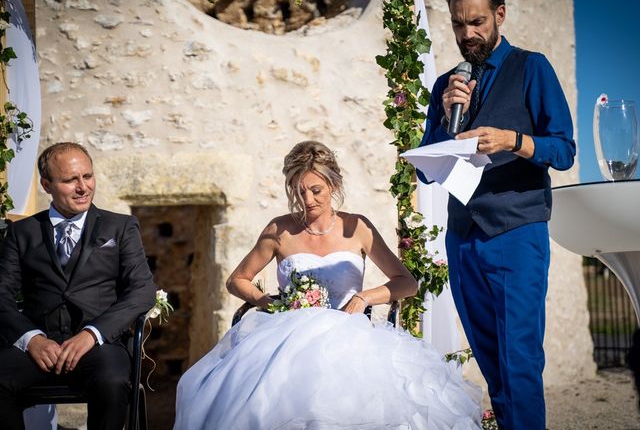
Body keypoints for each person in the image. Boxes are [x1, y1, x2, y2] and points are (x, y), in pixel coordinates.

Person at [174, 140, 482, 429]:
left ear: (333, 185)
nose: (308, 200)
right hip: (286, 338)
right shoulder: (280, 230)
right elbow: (236, 280)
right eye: (299, 192)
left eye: (316, 190)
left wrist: (365, 297)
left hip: (350, 336)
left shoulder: (357, 227)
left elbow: (407, 283)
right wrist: (268, 302)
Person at [416, 0, 576, 430]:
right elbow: (426, 170)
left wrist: (513, 139)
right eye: (458, 25)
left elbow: (562, 150)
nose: (468, 34)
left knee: (519, 360)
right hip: (463, 238)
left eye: (478, 22)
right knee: (491, 365)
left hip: (516, 233)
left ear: (499, 15)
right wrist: (446, 116)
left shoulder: (533, 67)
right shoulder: (446, 84)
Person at [0, 142, 157, 430]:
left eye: (87, 176)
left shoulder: (120, 227)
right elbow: (1, 296)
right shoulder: (22, 232)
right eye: (71, 179)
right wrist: (31, 338)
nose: (83, 187)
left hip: (99, 347)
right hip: (38, 349)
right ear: (47, 185)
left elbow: (142, 290)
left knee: (113, 381)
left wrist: (92, 333)